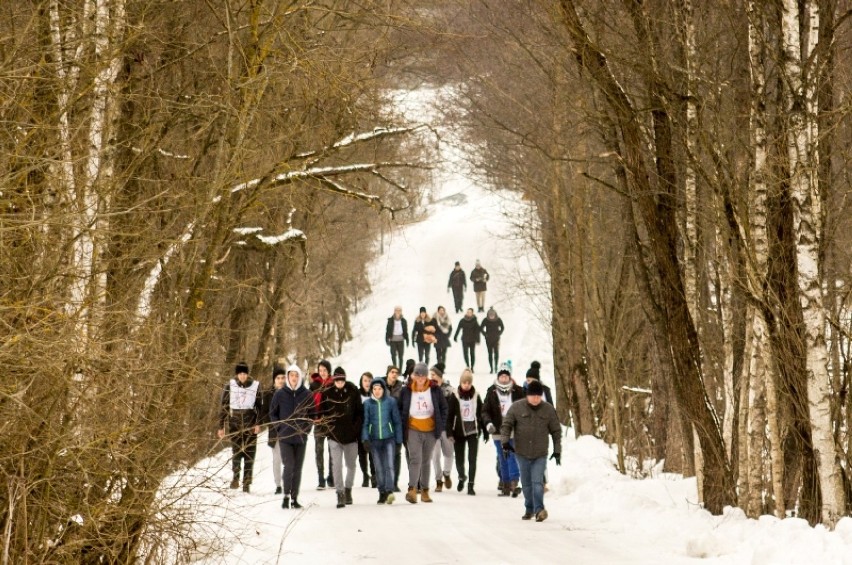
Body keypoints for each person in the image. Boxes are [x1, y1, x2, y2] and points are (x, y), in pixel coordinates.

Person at [500, 379, 562, 522]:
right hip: (521, 452)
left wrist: (557, 450)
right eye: (533, 395)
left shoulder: (548, 409)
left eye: (538, 396)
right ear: (527, 395)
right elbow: (506, 425)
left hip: (540, 453)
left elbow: (556, 431)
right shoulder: (517, 407)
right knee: (527, 484)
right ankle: (529, 508)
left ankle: (539, 509)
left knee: (537, 482)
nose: (535, 398)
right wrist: (505, 442)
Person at [399, 362, 448, 504]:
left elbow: (444, 408)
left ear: (426, 376)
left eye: (423, 376)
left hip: (431, 430)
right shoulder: (406, 390)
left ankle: (425, 491)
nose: (420, 378)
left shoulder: (435, 390)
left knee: (426, 460)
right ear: (413, 376)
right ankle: (412, 489)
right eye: (417, 375)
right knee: (415, 459)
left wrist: (441, 425)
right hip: (413, 428)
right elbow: (400, 408)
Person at [269, 364, 313, 509]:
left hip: (300, 438)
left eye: (296, 375)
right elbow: (273, 413)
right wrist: (279, 428)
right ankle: (286, 496)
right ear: (288, 377)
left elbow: (311, 415)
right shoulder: (280, 394)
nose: (293, 378)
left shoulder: (306, 394)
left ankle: (295, 498)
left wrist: (306, 430)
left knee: (298, 468)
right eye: (291, 375)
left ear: (299, 377)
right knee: (289, 466)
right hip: (285, 437)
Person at [321, 366, 363, 508]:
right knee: (337, 465)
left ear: (345, 379)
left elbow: (359, 413)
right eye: (337, 380)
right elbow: (323, 414)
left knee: (351, 465)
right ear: (333, 380)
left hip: (351, 436)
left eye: (341, 380)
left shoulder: (353, 391)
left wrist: (356, 429)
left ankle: (348, 489)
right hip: (334, 436)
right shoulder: (327, 393)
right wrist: (328, 430)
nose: (339, 383)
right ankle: (340, 493)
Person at [218, 361, 262, 493]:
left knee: (250, 453)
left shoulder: (255, 386)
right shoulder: (229, 386)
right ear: (237, 374)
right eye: (240, 373)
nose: (242, 376)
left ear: (247, 374)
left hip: (250, 421)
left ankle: (247, 482)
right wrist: (221, 426)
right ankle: (236, 477)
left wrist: (258, 423)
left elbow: (260, 407)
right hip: (235, 422)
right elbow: (224, 406)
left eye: (244, 373)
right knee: (236, 452)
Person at [482, 367, 524, 497]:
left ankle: (514, 482)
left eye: (506, 376)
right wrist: (488, 423)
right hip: (497, 428)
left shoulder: (518, 391)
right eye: (502, 376)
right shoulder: (492, 391)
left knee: (512, 454)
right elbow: (485, 410)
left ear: (509, 378)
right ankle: (505, 484)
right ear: (498, 378)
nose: (504, 379)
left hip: (512, 427)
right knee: (502, 456)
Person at [362, 377, 404, 504]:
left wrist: (398, 440)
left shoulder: (391, 402)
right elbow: (365, 423)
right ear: (371, 390)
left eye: (379, 388)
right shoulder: (368, 404)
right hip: (374, 440)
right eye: (374, 389)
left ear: (384, 389)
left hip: (389, 439)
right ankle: (382, 492)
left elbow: (397, 422)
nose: (377, 391)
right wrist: (365, 439)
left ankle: (390, 490)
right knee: (379, 467)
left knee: (389, 465)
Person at [447, 368, 483, 495]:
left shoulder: (476, 396)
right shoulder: (454, 396)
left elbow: (481, 413)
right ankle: (462, 476)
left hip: (473, 430)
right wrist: (449, 432)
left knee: (472, 459)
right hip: (458, 432)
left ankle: (471, 485)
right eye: (464, 383)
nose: (467, 385)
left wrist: (484, 429)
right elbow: (449, 416)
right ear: (461, 383)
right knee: (459, 459)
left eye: (469, 383)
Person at [309, 360, 335, 489]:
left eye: (325, 370)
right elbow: (309, 404)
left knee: (332, 450)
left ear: (329, 371)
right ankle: (320, 478)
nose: (323, 373)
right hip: (318, 422)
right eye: (320, 370)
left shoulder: (334, 384)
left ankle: (331, 477)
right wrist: (313, 417)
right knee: (319, 450)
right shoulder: (314, 385)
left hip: (331, 422)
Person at [430, 364, 454, 492]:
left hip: (447, 427)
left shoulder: (449, 390)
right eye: (430, 375)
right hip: (433, 428)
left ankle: (447, 473)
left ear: (440, 376)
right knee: (435, 455)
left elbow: (454, 410)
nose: (431, 377)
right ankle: (438, 480)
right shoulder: (429, 390)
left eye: (433, 375)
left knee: (449, 453)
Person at [264, 366, 288, 494]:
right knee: (277, 459)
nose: (281, 380)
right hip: (274, 431)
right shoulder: (268, 394)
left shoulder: (290, 392)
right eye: (278, 378)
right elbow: (264, 413)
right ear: (274, 380)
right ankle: (278, 484)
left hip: (289, 431)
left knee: (288, 459)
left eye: (283, 378)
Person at [383, 365, 405, 492]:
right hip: (383, 425)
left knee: (397, 454)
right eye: (392, 372)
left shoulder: (401, 389)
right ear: (387, 373)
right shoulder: (380, 386)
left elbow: (403, 406)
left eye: (396, 372)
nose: (394, 374)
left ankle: (395, 482)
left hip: (397, 426)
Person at [357, 372, 377, 488]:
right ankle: (365, 474)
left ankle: (374, 476)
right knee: (362, 454)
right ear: (361, 381)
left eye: (369, 381)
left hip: (373, 428)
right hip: (360, 428)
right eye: (365, 381)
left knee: (373, 453)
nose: (367, 383)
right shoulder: (357, 394)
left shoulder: (376, 393)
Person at [480, 307, 505, 374]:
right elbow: (481, 328)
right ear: (488, 315)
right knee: (490, 354)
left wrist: (499, 333)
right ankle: (491, 368)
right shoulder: (485, 320)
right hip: (488, 339)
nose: (491, 316)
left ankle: (496, 367)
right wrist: (485, 334)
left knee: (496, 353)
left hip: (496, 339)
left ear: (495, 314)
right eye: (490, 315)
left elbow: (502, 327)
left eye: (492, 315)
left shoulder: (498, 319)